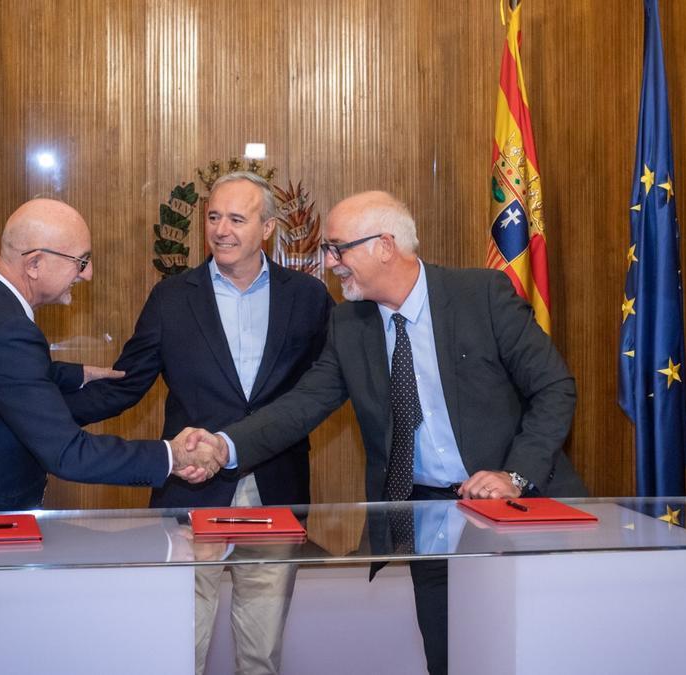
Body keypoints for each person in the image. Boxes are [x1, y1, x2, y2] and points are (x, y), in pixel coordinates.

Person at [186, 190, 583, 675]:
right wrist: (224, 447)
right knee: (449, 659)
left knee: (534, 654)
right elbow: (302, 405)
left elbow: (554, 387)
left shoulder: (481, 295)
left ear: (385, 246)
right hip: (431, 523)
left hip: (519, 516)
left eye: (338, 249)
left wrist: (514, 475)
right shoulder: (349, 324)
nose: (330, 263)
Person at [0, 198, 223, 675]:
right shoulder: (6, 329)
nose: (88, 274)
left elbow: (4, 378)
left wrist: (73, 374)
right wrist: (170, 457)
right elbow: (67, 454)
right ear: (35, 264)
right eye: (80, 261)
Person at [64, 172, 333, 675]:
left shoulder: (309, 298)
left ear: (268, 227)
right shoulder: (172, 298)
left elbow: (329, 385)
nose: (221, 230)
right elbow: (128, 385)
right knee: (179, 644)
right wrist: (40, 411)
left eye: (236, 218)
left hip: (275, 487)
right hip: (191, 491)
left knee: (262, 650)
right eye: (213, 217)